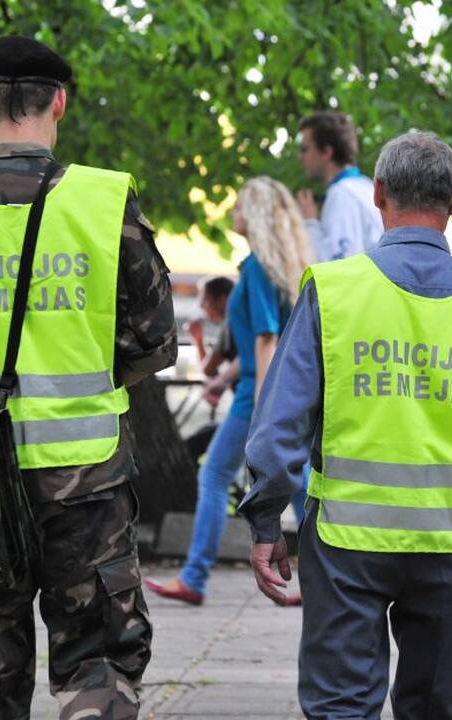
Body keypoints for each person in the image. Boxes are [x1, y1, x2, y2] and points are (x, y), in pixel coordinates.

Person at [0, 36, 176, 719]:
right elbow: (155, 338)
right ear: (60, 103)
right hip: (87, 482)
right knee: (98, 659)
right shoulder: (106, 203)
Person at [239, 131, 452, 720]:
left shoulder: (334, 293)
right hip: (448, 547)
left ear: (378, 194)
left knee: (342, 706)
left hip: (345, 542)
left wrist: (265, 518)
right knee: (437, 708)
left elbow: (279, 423)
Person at [144, 176, 313, 605]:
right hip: (274, 393)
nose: (233, 214)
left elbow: (266, 338)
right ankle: (327, 577)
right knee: (301, 487)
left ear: (253, 214)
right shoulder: (278, 269)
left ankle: (195, 577)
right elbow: (261, 341)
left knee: (216, 474)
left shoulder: (257, 268)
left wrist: (265, 407)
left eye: (239, 207)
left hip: (255, 399)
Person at [296, 111, 384, 261]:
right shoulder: (364, 186)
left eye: (305, 149)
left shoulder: (343, 194)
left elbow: (337, 267)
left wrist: (310, 223)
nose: (300, 157)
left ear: (326, 152)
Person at [186, 275, 235, 379]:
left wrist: (198, 340)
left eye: (205, 300)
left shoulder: (230, 326)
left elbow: (208, 370)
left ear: (223, 299)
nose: (201, 306)